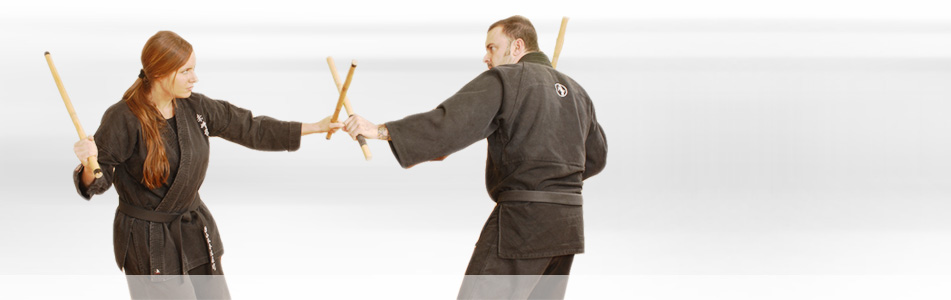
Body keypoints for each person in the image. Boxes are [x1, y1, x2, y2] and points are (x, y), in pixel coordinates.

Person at [342, 15, 607, 299]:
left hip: (524, 222)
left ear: (518, 46)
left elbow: (450, 124)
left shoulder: (507, 78)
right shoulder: (577, 92)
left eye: (492, 47)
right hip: (568, 225)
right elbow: (596, 157)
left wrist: (381, 130)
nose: (486, 57)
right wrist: (553, 178)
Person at [71, 30, 341, 299]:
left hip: (193, 230)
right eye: (185, 71)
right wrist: (87, 164)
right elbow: (98, 178)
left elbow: (250, 127)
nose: (194, 78)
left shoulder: (195, 107)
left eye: (194, 69)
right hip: (149, 240)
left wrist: (316, 127)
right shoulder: (123, 117)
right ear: (160, 73)